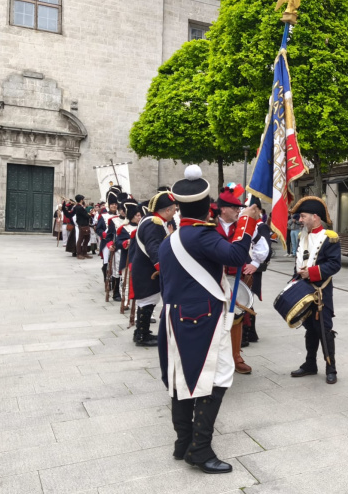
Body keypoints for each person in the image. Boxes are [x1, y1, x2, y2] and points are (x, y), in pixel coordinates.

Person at [156, 165, 259, 474]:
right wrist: (248, 222)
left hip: (175, 319)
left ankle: (182, 443)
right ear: (206, 205)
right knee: (219, 376)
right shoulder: (201, 235)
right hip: (203, 319)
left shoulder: (170, 239)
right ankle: (199, 449)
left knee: (183, 380)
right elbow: (238, 257)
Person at [289, 196, 342, 384]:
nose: (300, 220)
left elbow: (334, 265)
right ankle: (310, 364)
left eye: (303, 216)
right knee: (310, 328)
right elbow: (298, 262)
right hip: (304, 291)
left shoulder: (330, 237)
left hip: (321, 291)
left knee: (324, 329)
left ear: (315, 216)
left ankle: (331, 367)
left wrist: (310, 273)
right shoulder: (303, 235)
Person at [214, 187, 253, 374]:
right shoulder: (210, 225)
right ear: (223, 209)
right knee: (216, 317)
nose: (239, 210)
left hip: (236, 275)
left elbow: (254, 246)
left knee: (237, 315)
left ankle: (235, 356)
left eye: (239, 208)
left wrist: (251, 265)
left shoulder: (241, 226)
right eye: (235, 207)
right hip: (215, 278)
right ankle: (214, 357)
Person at [129, 191, 175, 346]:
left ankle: (142, 332)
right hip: (148, 270)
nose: (175, 213)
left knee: (149, 300)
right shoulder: (153, 223)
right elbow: (153, 248)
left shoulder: (151, 220)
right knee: (147, 301)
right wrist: (162, 268)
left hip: (146, 269)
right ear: (167, 210)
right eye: (174, 209)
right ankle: (142, 335)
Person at [240, 195, 272, 347]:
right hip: (245, 268)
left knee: (248, 300)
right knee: (245, 299)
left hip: (253, 270)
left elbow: (268, 251)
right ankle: (249, 333)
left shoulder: (261, 226)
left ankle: (248, 334)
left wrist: (255, 265)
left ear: (258, 210)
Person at [96, 188, 122, 295]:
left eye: (116, 204)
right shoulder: (103, 216)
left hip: (117, 243)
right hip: (106, 242)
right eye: (112, 204)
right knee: (107, 263)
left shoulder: (120, 216)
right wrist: (104, 234)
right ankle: (107, 280)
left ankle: (116, 281)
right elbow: (98, 229)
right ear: (109, 205)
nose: (114, 206)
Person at [66, 195, 93, 260]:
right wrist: (90, 214)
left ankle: (84, 252)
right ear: (81, 200)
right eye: (83, 199)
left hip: (85, 224)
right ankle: (79, 253)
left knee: (87, 238)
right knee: (80, 239)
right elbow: (86, 215)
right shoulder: (79, 207)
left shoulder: (80, 207)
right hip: (82, 224)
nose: (83, 200)